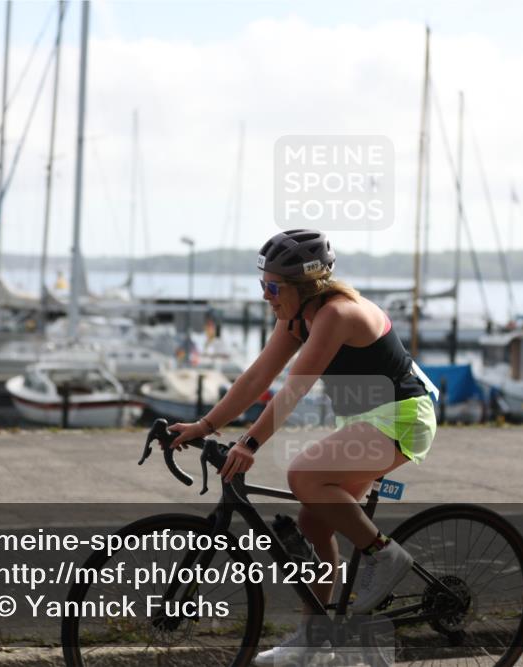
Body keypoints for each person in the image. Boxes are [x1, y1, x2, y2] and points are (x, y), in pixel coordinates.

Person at [168, 228, 437, 665]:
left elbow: (293, 390)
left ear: (304, 285)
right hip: (369, 420)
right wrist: (205, 425)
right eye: (263, 285)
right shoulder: (297, 316)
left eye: (273, 287)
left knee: (304, 475)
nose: (266, 296)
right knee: (313, 522)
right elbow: (257, 378)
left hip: (404, 417)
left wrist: (250, 443)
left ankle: (383, 554)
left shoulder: (337, 314)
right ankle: (317, 639)